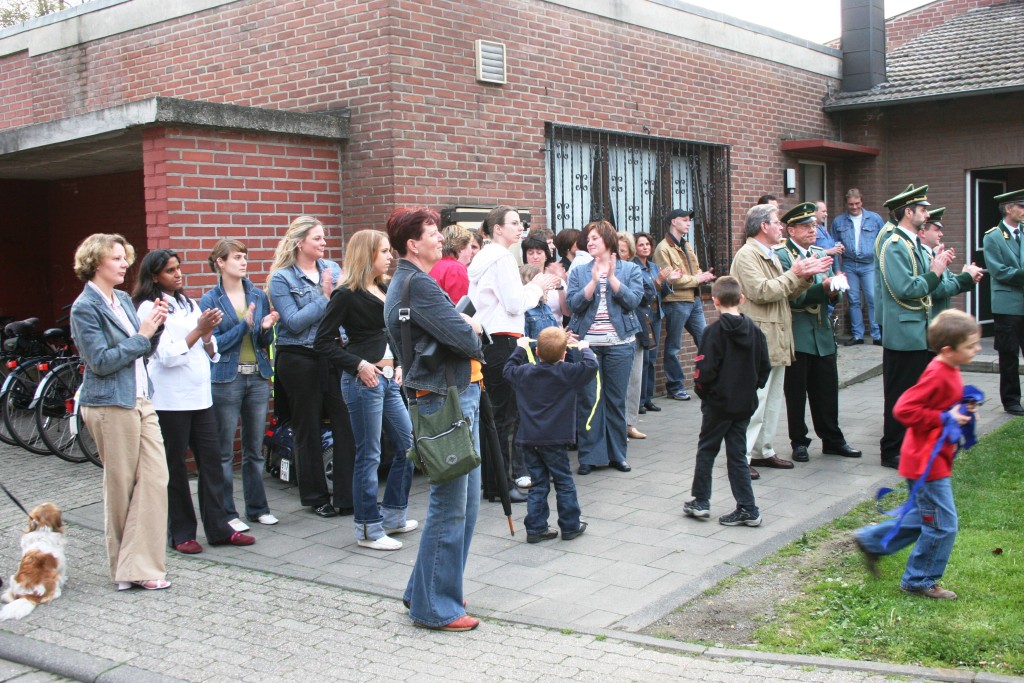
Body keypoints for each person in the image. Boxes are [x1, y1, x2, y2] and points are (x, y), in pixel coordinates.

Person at [383, 206, 485, 632]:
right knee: (450, 505)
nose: (440, 238)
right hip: (445, 402)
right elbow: (466, 339)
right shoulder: (418, 285)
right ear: (413, 244)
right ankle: (434, 607)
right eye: (432, 233)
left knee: (467, 503)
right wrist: (469, 325)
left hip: (449, 398)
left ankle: (426, 589)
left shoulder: (409, 282)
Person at [133, 250, 255, 554]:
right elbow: (165, 355)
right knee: (175, 468)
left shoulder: (188, 303)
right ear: (153, 276)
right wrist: (198, 330)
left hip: (200, 397)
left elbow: (208, 350)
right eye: (169, 270)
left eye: (178, 268)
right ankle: (181, 532)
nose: (178, 274)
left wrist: (207, 334)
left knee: (212, 464)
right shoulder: (150, 307)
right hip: (170, 400)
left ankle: (219, 528)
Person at [853, 309, 981, 600]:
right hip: (926, 463)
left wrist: (962, 405)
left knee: (925, 517)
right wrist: (945, 417)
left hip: (931, 459)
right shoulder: (938, 373)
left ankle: (872, 541)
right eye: (971, 345)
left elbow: (941, 403)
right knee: (943, 526)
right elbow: (904, 409)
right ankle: (918, 580)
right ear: (948, 350)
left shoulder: (950, 368)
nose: (977, 349)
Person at [70, 234, 172, 591]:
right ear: (95, 263)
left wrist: (155, 328)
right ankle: (128, 569)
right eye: (115, 258)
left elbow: (141, 350)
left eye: (124, 257)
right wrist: (142, 335)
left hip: (141, 398)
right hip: (109, 403)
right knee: (121, 485)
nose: (124, 263)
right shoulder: (85, 308)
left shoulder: (124, 300)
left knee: (156, 479)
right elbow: (100, 361)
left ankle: (137, 564)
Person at [314, 230, 417, 551]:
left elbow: (392, 333)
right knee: (369, 455)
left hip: (388, 379)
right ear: (366, 254)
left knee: (408, 445)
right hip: (364, 382)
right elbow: (323, 342)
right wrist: (358, 364)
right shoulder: (345, 294)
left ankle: (393, 516)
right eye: (384, 251)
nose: (390, 256)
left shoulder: (385, 287)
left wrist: (399, 363)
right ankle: (368, 529)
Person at [730, 204, 831, 480]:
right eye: (776, 222)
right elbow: (762, 291)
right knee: (754, 402)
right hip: (758, 337)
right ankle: (741, 457)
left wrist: (804, 278)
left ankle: (763, 450)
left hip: (775, 337)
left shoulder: (770, 253)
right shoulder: (747, 255)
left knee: (772, 401)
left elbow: (785, 293)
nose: (781, 227)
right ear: (763, 226)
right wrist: (793, 274)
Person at [267, 216, 356, 518]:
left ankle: (346, 496)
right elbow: (293, 322)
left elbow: (346, 310)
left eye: (323, 237)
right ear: (299, 242)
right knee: (308, 428)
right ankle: (316, 497)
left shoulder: (332, 269)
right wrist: (325, 297)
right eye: (317, 238)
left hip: (333, 354)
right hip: (299, 358)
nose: (323, 243)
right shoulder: (282, 279)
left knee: (346, 424)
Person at [468, 205, 559, 494]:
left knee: (496, 416)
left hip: (491, 340)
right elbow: (514, 304)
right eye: (515, 223)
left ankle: (493, 482)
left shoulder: (484, 257)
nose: (521, 228)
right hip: (503, 340)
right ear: (497, 228)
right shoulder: (502, 258)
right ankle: (499, 485)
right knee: (503, 417)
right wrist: (537, 286)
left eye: (521, 223)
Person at [200, 240, 280, 533]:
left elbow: (263, 342)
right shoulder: (210, 300)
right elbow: (215, 344)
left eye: (245, 256)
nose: (243, 262)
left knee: (254, 449)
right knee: (224, 451)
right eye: (236, 257)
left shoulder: (257, 294)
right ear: (220, 262)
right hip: (227, 378)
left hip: (257, 377)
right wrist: (244, 325)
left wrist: (265, 329)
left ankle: (258, 509)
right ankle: (227, 513)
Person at [875, 185, 955, 469]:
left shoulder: (913, 244)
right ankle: (892, 450)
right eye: (922, 210)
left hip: (918, 330)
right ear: (908, 213)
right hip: (904, 332)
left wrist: (936, 269)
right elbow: (906, 288)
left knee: (917, 394)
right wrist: (935, 272)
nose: (927, 214)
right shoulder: (895, 245)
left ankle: (913, 445)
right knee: (900, 394)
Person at [776, 203, 862, 462]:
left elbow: (830, 294)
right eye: (806, 226)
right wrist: (822, 288)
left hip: (822, 331)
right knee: (796, 392)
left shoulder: (818, 253)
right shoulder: (783, 256)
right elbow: (792, 297)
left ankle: (833, 439)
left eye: (814, 225)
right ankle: (799, 441)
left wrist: (834, 289)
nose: (813, 230)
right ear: (791, 230)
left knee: (827, 390)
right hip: (799, 331)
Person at [684, 276, 770, 527]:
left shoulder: (712, 332)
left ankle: (701, 501)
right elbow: (764, 367)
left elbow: (704, 371)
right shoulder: (755, 331)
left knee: (707, 450)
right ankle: (748, 507)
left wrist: (706, 395)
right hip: (744, 404)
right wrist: (751, 388)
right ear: (742, 299)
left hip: (718, 405)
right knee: (737, 455)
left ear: (715, 301)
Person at [504, 328, 598, 543]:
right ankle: (570, 525)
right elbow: (591, 366)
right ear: (564, 354)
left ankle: (536, 528)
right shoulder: (568, 373)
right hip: (556, 439)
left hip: (529, 439)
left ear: (537, 351)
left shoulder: (524, 372)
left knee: (538, 483)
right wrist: (584, 348)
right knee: (564, 481)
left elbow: (507, 369)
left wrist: (520, 349)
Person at [567, 220, 644, 475]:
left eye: (595, 238)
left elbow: (633, 301)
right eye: (588, 239)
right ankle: (589, 456)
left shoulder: (629, 269)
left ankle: (617, 455)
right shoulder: (579, 271)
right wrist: (591, 284)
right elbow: (573, 305)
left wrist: (611, 278)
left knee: (615, 400)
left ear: (608, 240)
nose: (589, 243)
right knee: (589, 400)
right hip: (587, 346)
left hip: (620, 344)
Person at [654, 209, 715, 401]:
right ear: (674, 222)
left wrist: (702, 276)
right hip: (676, 301)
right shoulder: (663, 248)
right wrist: (697, 279)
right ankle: (675, 386)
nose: (688, 223)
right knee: (674, 346)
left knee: (705, 340)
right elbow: (670, 279)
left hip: (694, 299)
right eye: (685, 220)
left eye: (689, 220)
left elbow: (694, 270)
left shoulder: (685, 244)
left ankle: (707, 381)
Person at [981, 188, 1024, 416]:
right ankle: (1011, 401)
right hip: (1007, 306)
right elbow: (999, 271)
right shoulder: (993, 237)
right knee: (1009, 355)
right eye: (1021, 206)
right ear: (1008, 208)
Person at [831, 188, 884, 345]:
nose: (854, 207)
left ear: (862, 202)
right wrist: (837, 269)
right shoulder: (838, 222)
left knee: (872, 298)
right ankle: (857, 335)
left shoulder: (874, 219)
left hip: (869, 264)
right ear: (846, 204)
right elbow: (834, 247)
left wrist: (881, 266)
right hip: (849, 264)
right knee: (853, 300)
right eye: (851, 204)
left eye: (857, 203)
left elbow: (883, 242)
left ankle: (877, 335)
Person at [633, 232, 676, 414]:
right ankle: (639, 401)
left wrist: (669, 281)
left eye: (647, 244)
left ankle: (648, 398)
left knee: (651, 359)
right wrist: (658, 281)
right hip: (643, 316)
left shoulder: (653, 267)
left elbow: (661, 293)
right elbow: (643, 295)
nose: (645, 247)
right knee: (642, 360)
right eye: (641, 244)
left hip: (656, 315)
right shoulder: (634, 268)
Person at [917, 208, 982, 316]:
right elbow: (937, 290)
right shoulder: (921, 255)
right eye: (937, 230)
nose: (941, 234)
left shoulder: (933, 254)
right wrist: (965, 277)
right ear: (923, 232)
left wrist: (970, 278)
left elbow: (947, 279)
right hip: (930, 318)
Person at [618, 232, 648, 440]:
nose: (618, 254)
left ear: (629, 253)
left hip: (635, 327)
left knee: (635, 378)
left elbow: (646, 295)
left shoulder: (634, 270)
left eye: (622, 251)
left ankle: (630, 423)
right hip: (614, 333)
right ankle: (618, 424)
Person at [431, 225, 474, 302]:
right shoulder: (455, 268)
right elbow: (460, 305)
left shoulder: (434, 264)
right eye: (471, 245)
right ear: (460, 247)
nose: (472, 251)